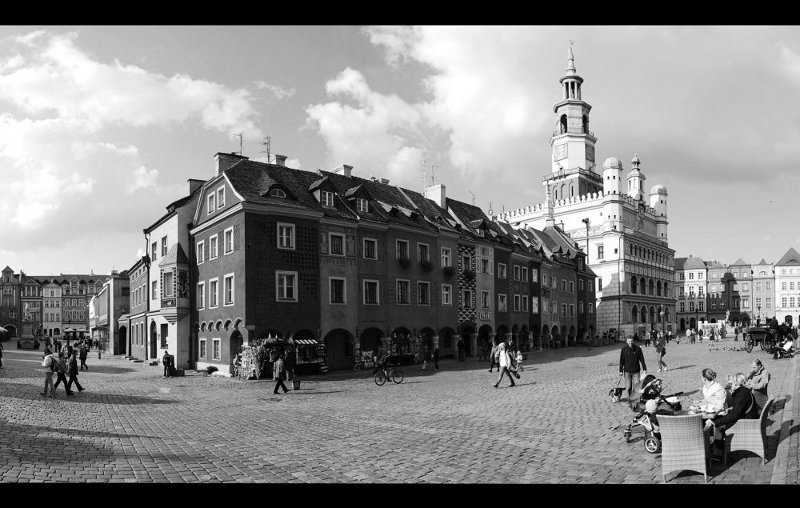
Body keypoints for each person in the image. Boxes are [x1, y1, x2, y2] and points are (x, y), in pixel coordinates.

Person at [706, 372, 759, 459]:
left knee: (717, 426)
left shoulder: (741, 394)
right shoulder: (744, 391)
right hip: (749, 418)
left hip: (747, 423)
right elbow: (740, 408)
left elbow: (734, 415)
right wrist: (732, 408)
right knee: (721, 420)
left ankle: (718, 453)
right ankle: (719, 447)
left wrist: (715, 422)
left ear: (736, 383)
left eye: (731, 383)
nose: (730, 385)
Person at [619, 336, 647, 403]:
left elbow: (642, 359)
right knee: (628, 387)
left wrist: (644, 369)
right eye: (629, 341)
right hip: (627, 371)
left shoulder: (638, 349)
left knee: (636, 386)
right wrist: (620, 371)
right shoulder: (624, 349)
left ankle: (636, 398)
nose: (630, 343)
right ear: (626, 342)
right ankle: (630, 399)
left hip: (636, 371)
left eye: (631, 341)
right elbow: (621, 361)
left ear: (633, 341)